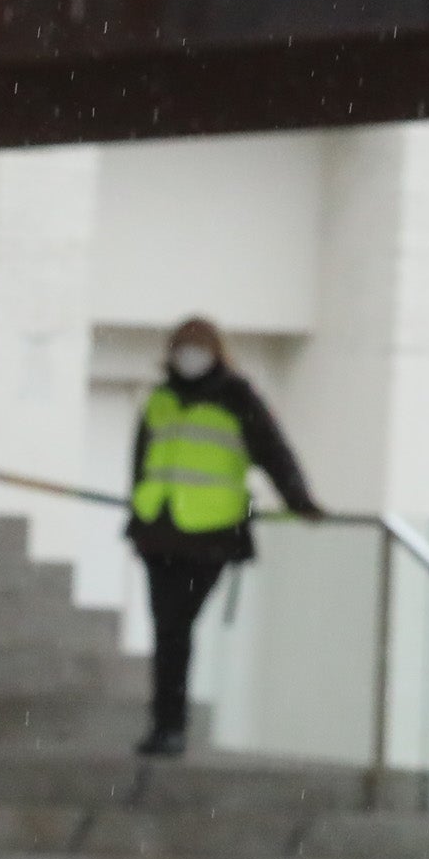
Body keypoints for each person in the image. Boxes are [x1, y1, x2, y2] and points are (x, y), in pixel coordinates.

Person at [123, 316, 319, 757]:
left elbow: (273, 451)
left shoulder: (238, 398)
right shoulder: (159, 399)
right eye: (181, 348)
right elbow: (141, 464)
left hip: (211, 535)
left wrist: (298, 500)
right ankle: (166, 725)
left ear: (214, 353)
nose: (188, 357)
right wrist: (136, 514)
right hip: (160, 529)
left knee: (177, 626)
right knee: (168, 627)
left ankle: (170, 725)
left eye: (196, 348)